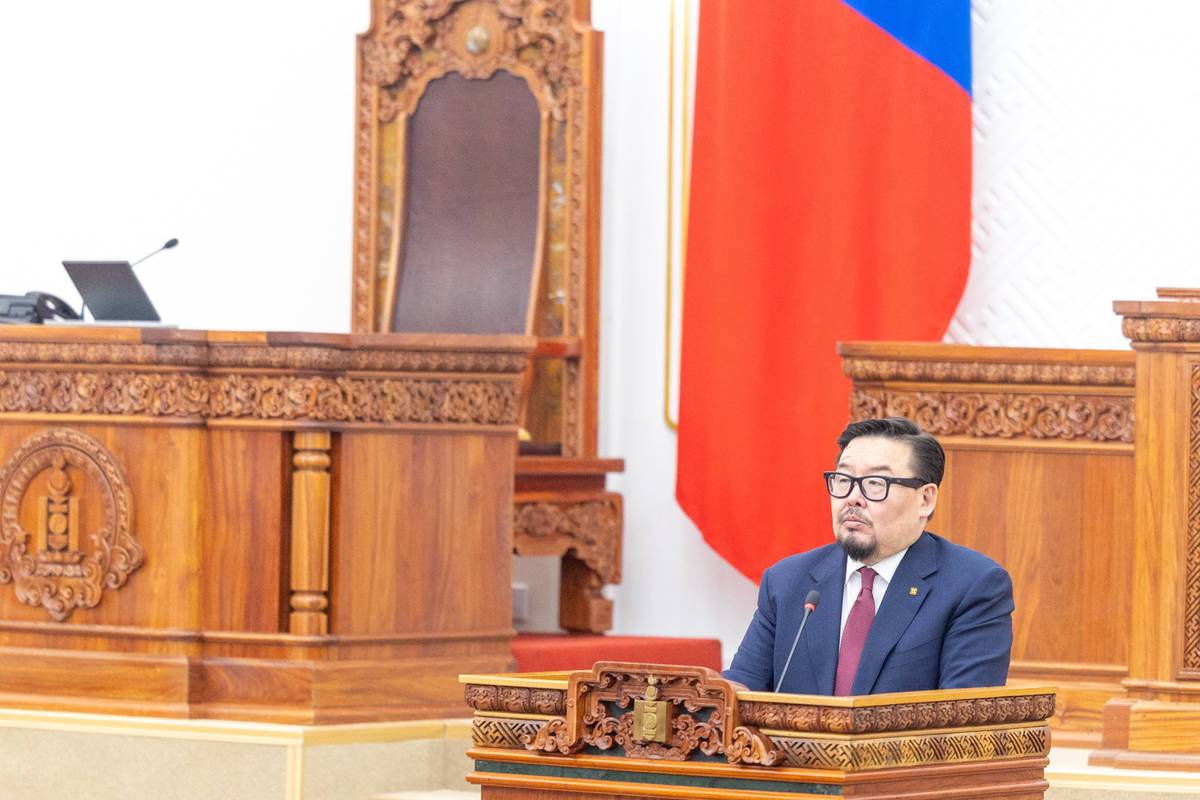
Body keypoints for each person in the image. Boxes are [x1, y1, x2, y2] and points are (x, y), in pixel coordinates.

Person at [723, 416, 1013, 695]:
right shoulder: (787, 582)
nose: (852, 498)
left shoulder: (973, 587)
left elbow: (965, 716)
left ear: (925, 499)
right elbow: (741, 691)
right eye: (843, 479)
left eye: (875, 483)